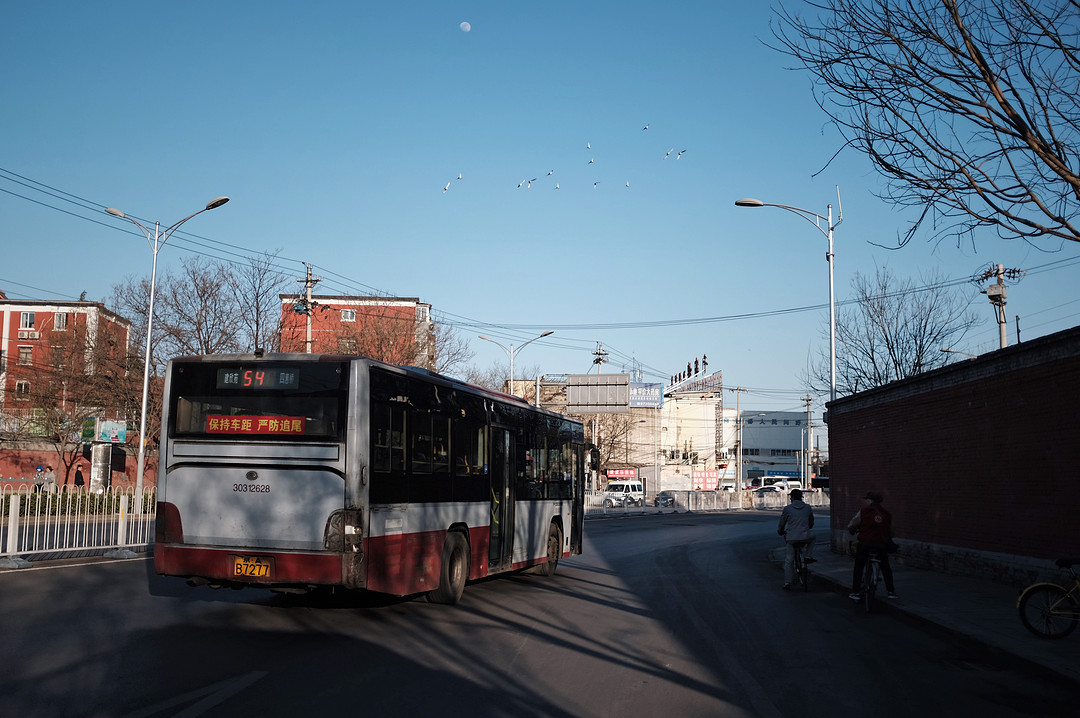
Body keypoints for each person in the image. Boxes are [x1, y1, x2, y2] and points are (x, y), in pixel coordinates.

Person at [848, 491, 897, 600]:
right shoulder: (886, 513)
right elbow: (891, 531)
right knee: (885, 567)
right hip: (881, 545)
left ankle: (856, 591)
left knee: (859, 566)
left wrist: (852, 530)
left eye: (866, 499)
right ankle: (891, 591)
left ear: (870, 500)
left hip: (865, 543)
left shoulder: (864, 511)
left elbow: (852, 525)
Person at [778, 488, 816, 589]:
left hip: (792, 538)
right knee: (813, 537)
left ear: (792, 498)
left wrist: (780, 530)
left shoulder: (788, 509)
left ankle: (787, 582)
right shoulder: (807, 507)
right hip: (805, 536)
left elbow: (782, 522)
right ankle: (808, 555)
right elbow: (811, 521)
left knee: (789, 560)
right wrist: (809, 526)